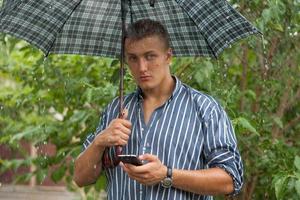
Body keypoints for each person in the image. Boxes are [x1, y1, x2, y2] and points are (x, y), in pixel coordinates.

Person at [73, 19, 243, 200]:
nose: (142, 67)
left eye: (150, 56)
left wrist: (167, 174)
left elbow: (231, 180)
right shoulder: (116, 109)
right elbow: (80, 177)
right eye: (133, 58)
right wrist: (99, 142)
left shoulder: (205, 109)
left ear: (168, 56)